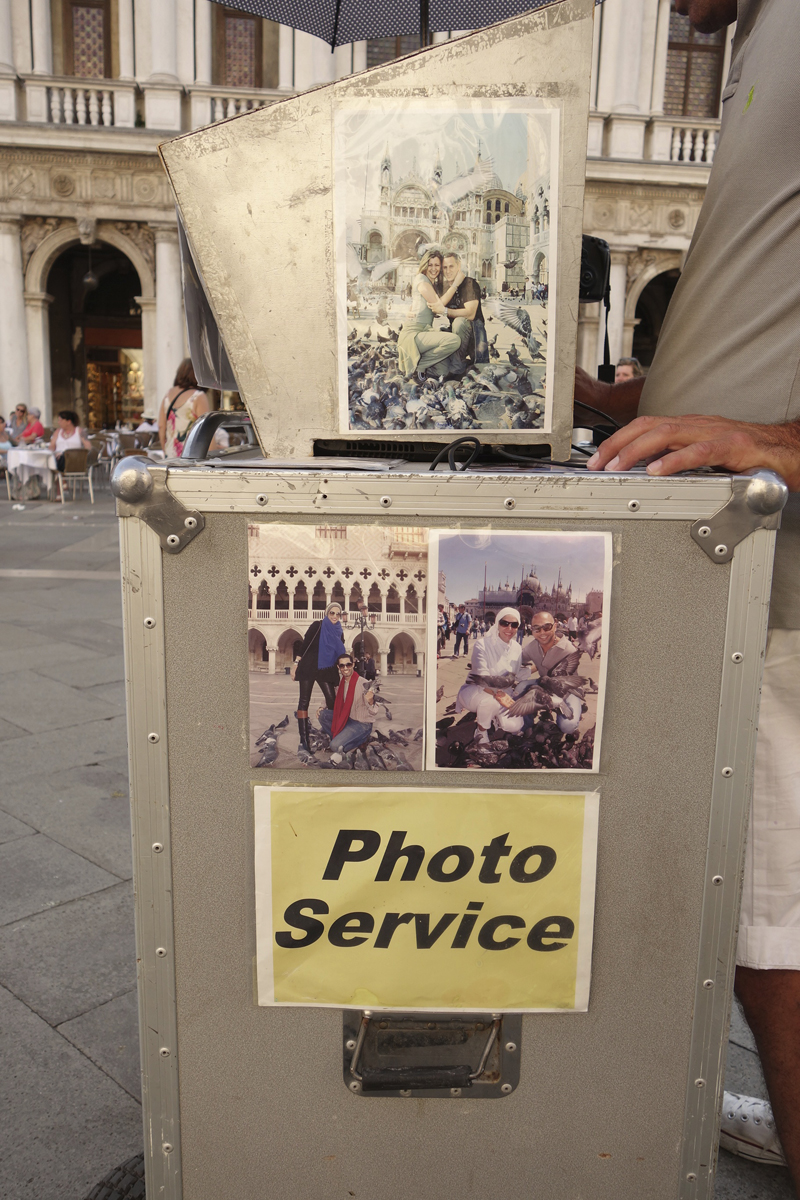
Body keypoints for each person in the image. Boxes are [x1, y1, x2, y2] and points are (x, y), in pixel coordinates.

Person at [581, 0, 800, 1179]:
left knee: (776, 929)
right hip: (738, 573)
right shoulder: (754, 35)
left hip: (783, 584)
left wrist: (769, 445)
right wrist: (613, 401)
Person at [455, 606, 526, 745]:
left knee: (515, 726)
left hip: (503, 693)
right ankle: (481, 731)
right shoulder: (482, 645)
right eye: (504, 623)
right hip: (476, 691)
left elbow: (515, 674)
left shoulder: (517, 648)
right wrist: (500, 695)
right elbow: (482, 679)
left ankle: (493, 718)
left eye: (514, 624)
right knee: (490, 701)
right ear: (497, 623)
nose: (509, 628)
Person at [397, 250, 464, 381]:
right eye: (430, 265)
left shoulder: (428, 281)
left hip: (423, 331)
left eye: (437, 265)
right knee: (454, 341)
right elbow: (438, 306)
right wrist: (456, 283)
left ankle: (418, 363)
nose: (434, 269)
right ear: (424, 265)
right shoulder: (422, 280)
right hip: (413, 335)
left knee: (443, 370)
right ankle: (418, 366)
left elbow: (416, 304)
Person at [292, 602, 345, 753]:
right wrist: (296, 664)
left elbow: (340, 652)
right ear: (327, 613)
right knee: (304, 702)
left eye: (337, 614)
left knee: (332, 701)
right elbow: (305, 644)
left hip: (326, 668)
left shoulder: (339, 631)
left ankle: (332, 735)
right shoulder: (317, 625)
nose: (334, 616)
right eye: (332, 613)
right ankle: (304, 741)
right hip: (309, 666)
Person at [521, 612, 583, 735]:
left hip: (568, 690)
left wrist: (555, 702)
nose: (542, 632)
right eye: (536, 628)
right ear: (531, 629)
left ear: (555, 626)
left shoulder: (568, 649)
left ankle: (573, 712)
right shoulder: (532, 647)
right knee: (520, 687)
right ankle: (526, 725)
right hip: (545, 684)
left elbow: (569, 681)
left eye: (547, 627)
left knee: (568, 726)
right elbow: (518, 661)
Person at [317, 653, 379, 758]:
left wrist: (370, 701)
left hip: (362, 725)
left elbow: (374, 711)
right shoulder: (341, 684)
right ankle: (343, 739)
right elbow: (332, 695)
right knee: (323, 715)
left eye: (348, 664)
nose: (345, 668)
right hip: (348, 720)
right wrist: (322, 706)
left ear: (353, 664)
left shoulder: (364, 684)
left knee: (335, 746)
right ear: (338, 667)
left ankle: (360, 741)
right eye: (342, 665)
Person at [441, 251, 489, 370]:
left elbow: (470, 314)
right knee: (438, 331)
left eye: (451, 266)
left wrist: (445, 311)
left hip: (475, 336)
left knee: (459, 322)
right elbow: (435, 306)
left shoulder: (469, 283)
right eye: (445, 267)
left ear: (459, 265)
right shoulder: (446, 287)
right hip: (457, 336)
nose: (448, 271)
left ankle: (456, 367)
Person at [158, 358, 210, 458]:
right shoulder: (198, 397)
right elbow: (206, 431)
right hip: (191, 456)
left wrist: (165, 450)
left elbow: (161, 425)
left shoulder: (168, 395)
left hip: (170, 456)